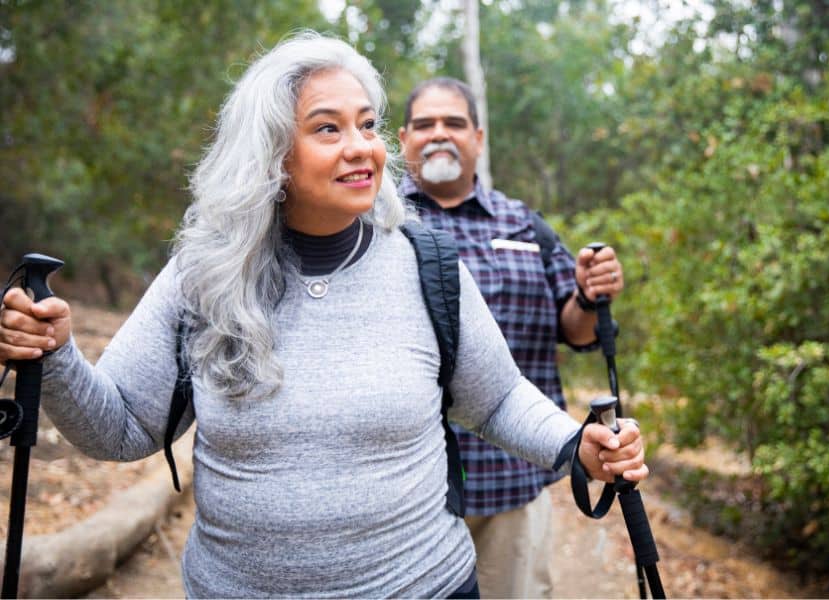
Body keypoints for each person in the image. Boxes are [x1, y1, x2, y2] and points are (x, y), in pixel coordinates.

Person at [0, 32, 647, 598]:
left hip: (424, 586)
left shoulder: (425, 262)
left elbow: (498, 399)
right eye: (328, 128)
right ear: (273, 152)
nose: (362, 148)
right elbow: (120, 429)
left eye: (367, 125)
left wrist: (574, 446)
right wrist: (55, 357)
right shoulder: (203, 274)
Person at [397, 77, 626, 598]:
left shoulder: (525, 226)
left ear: (478, 137)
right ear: (402, 137)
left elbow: (578, 331)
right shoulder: (373, 224)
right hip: (405, 491)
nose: (440, 134)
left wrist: (589, 295)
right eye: (425, 124)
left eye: (454, 123)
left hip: (511, 479)